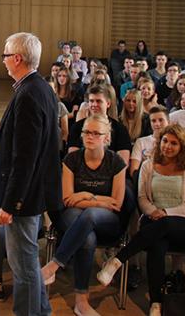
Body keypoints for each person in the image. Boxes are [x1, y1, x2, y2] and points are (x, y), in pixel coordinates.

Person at [97, 124, 185, 316]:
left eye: (173, 143)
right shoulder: (148, 165)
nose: (167, 146)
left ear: (182, 147)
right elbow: (142, 198)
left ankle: (118, 260)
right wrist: (153, 211)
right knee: (157, 244)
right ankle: (156, 301)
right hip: (153, 221)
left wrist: (165, 212)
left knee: (163, 225)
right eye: (164, 141)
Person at [0, 32, 59, 316]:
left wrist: (10, 203)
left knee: (24, 268)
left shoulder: (29, 94)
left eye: (6, 55)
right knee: (28, 262)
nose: (3, 61)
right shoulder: (39, 88)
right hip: (32, 193)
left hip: (23, 199)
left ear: (17, 58)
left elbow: (25, 158)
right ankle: (42, 312)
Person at [41, 114, 126, 316]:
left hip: (107, 219)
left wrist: (86, 196)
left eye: (96, 133)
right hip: (74, 214)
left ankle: (55, 264)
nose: (90, 136)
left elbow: (116, 203)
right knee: (87, 238)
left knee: (89, 215)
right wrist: (98, 199)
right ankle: (81, 301)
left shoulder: (116, 162)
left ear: (107, 138)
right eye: (87, 132)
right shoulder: (72, 159)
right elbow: (68, 199)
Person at [68, 85, 133, 164]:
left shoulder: (120, 129)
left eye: (98, 101)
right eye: (91, 101)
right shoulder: (77, 127)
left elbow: (123, 163)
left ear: (108, 104)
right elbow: (72, 160)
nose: (94, 104)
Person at [131, 105, 169, 177]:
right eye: (153, 121)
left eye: (161, 120)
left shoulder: (174, 142)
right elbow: (133, 171)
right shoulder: (141, 142)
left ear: (168, 122)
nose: (157, 124)